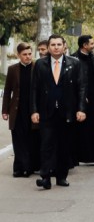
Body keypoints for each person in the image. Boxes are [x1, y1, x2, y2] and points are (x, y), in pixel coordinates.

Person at [30, 34, 87, 190]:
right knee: (46, 145)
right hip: (46, 112)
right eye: (53, 45)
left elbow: (81, 88)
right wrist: (34, 110)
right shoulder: (40, 64)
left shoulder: (74, 63)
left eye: (58, 44)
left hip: (67, 111)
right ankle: (45, 177)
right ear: (48, 47)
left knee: (64, 145)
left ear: (64, 46)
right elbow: (34, 89)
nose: (56, 47)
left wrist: (81, 109)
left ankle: (61, 176)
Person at [2, 42, 40, 177]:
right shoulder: (13, 69)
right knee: (18, 139)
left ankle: (29, 167)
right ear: (18, 55)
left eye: (30, 54)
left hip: (33, 109)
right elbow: (7, 91)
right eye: (24, 54)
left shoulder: (37, 67)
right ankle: (19, 168)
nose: (28, 57)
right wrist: (5, 110)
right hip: (17, 109)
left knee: (32, 139)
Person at [71, 34, 94, 164]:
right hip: (82, 100)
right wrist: (81, 97)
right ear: (84, 45)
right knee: (82, 130)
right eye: (91, 43)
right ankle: (81, 156)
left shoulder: (92, 57)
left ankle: (93, 156)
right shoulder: (74, 59)